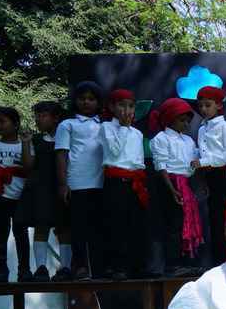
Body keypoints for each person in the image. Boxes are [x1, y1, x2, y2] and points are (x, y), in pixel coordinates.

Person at [150, 97, 207, 276]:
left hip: (186, 184)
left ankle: (187, 263)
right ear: (170, 119)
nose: (186, 124)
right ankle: (172, 265)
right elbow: (161, 165)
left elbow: (194, 163)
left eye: (188, 121)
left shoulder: (188, 141)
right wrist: (172, 190)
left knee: (188, 224)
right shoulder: (161, 138)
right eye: (182, 120)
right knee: (174, 225)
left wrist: (200, 183)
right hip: (170, 184)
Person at [55, 81, 104, 280]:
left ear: (98, 102)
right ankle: (80, 267)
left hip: (102, 183)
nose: (86, 102)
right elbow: (61, 154)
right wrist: (63, 184)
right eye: (82, 98)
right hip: (77, 183)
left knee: (98, 228)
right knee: (79, 229)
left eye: (91, 99)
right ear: (75, 101)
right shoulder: (67, 125)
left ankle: (99, 268)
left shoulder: (105, 125)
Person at [99, 89, 149, 280]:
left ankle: (137, 266)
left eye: (130, 106)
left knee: (136, 224)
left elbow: (138, 159)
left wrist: (140, 179)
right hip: (116, 181)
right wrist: (123, 127)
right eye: (121, 105)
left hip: (135, 181)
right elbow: (114, 151)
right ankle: (118, 266)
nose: (126, 110)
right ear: (112, 107)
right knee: (117, 224)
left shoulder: (137, 133)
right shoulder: (106, 127)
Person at [18, 101, 70, 281]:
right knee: (41, 226)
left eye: (43, 116)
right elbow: (28, 166)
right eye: (37, 116)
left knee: (64, 227)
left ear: (56, 118)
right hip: (41, 190)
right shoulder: (37, 140)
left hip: (62, 187)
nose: (38, 119)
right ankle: (41, 268)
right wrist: (25, 143)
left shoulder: (68, 137)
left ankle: (66, 268)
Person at [193, 85, 226, 266]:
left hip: (225, 178)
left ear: (218, 105)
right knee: (214, 221)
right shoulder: (202, 129)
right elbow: (202, 153)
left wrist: (203, 162)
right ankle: (219, 263)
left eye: (208, 105)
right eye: (201, 105)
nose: (203, 109)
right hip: (210, 177)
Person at [0, 107, 30, 282]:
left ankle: (24, 270)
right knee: (0, 234)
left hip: (20, 196)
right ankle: (1, 270)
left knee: (21, 233)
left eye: (2, 121)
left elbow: (29, 168)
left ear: (15, 124)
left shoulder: (25, 145)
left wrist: (26, 143)